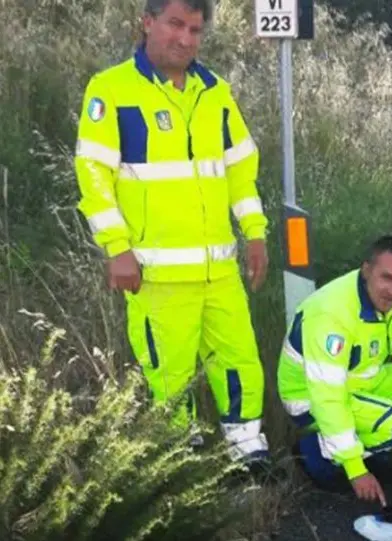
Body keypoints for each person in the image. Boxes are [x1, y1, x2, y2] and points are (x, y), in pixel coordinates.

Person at [74, 0, 272, 475]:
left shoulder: (214, 91)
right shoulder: (112, 90)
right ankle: (182, 471)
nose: (185, 39)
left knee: (240, 362)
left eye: (196, 30)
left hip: (219, 271)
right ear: (148, 23)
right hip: (156, 275)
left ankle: (247, 455)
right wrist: (117, 248)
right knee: (171, 377)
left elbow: (241, 168)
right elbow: (94, 174)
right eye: (175, 25)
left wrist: (256, 232)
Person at [277, 235, 392, 505]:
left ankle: (368, 451)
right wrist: (356, 470)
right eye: (386, 278)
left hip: (360, 378)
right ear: (366, 270)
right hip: (309, 397)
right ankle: (317, 456)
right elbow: (328, 397)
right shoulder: (332, 314)